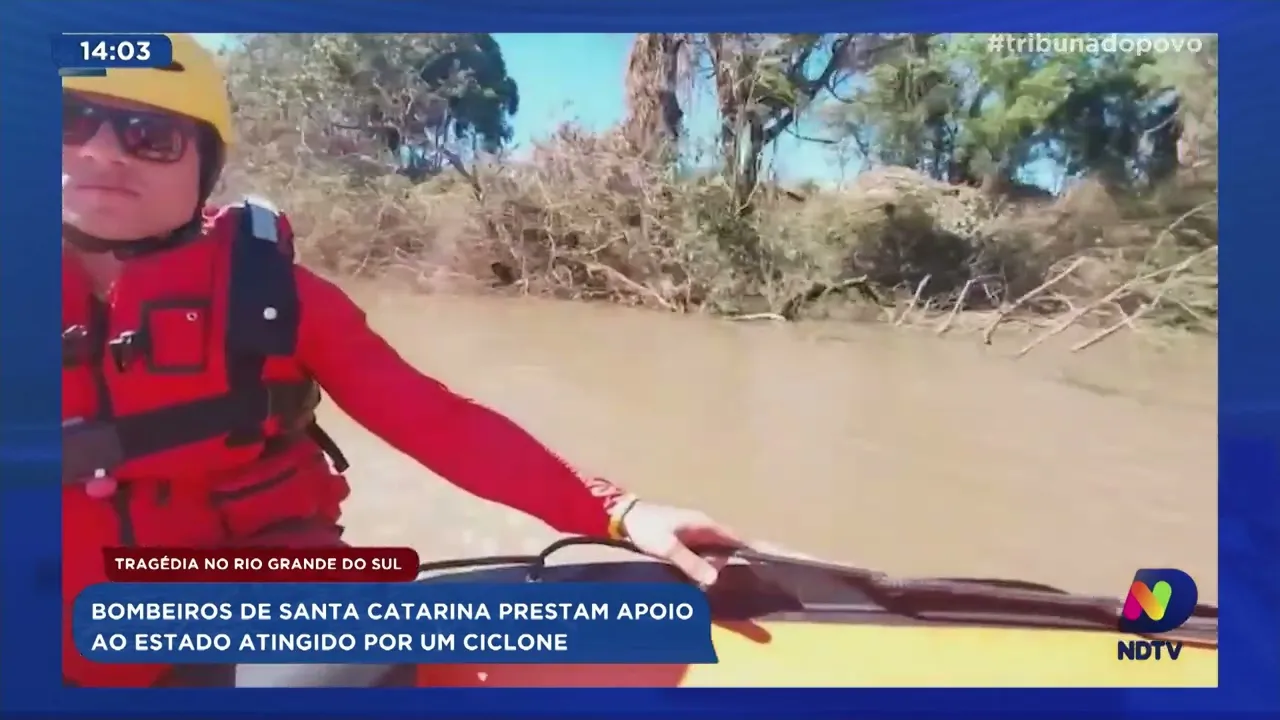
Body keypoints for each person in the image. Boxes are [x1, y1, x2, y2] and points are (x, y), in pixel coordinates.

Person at [62, 33, 743, 688]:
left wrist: (619, 512)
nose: (101, 152)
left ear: (203, 166)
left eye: (151, 136)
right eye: (71, 121)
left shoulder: (278, 299)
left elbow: (436, 422)